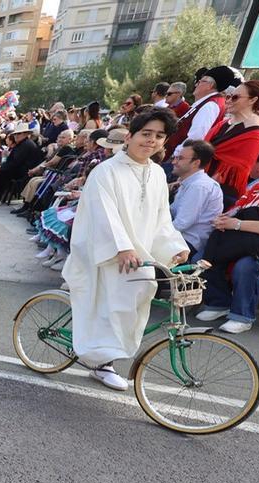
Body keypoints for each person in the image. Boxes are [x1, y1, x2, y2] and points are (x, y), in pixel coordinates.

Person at [61, 108, 189, 391]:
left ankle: (106, 357)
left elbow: (160, 217)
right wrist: (121, 247)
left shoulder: (156, 173)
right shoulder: (106, 172)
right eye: (146, 134)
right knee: (113, 305)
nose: (151, 141)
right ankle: (101, 363)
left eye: (158, 136)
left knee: (134, 302)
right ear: (129, 136)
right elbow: (103, 215)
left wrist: (174, 245)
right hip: (106, 251)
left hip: (138, 253)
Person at [194, 146, 259, 333]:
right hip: (245, 239)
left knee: (247, 265)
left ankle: (242, 316)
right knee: (202, 257)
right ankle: (219, 302)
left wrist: (236, 224)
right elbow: (237, 208)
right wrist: (223, 219)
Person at [206, 79, 259, 203]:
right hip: (200, 178)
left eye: (235, 97)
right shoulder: (225, 123)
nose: (228, 101)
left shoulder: (255, 132)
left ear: (252, 100)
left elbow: (241, 168)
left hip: (220, 191)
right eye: (228, 96)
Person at [167, 65, 240, 158]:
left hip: (178, 157)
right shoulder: (210, 102)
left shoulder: (210, 105)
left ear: (210, 85)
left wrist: (176, 154)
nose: (196, 84)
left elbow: (196, 136)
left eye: (200, 81)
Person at [169, 139, 223, 258]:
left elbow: (181, 224)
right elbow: (172, 211)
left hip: (187, 243)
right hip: (179, 237)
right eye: (175, 157)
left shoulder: (199, 186)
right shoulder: (191, 182)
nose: (174, 161)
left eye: (180, 158)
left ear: (196, 163)